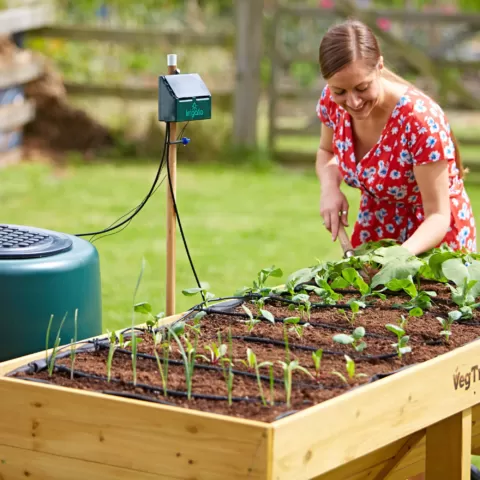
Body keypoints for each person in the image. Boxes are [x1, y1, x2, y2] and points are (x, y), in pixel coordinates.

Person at [315, 19, 476, 256]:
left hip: (434, 242)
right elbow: (326, 151)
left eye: (362, 88)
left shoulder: (419, 121)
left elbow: (438, 216)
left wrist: (396, 258)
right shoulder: (332, 101)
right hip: (378, 229)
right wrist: (329, 188)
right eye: (340, 91)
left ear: (379, 67)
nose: (353, 102)